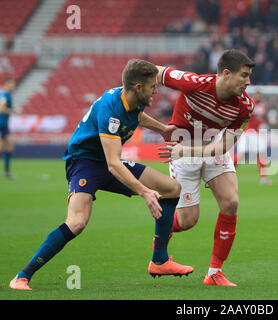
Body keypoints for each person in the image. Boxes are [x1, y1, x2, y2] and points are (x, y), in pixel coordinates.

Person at [9, 59, 193, 290]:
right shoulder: (111, 111)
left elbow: (135, 117)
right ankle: (22, 276)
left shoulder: (134, 98)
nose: (156, 91)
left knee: (171, 188)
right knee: (77, 222)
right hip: (84, 163)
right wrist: (144, 192)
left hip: (107, 158)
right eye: (152, 86)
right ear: (138, 87)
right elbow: (114, 165)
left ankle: (159, 261)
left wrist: (163, 129)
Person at [156, 49, 255, 286]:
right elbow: (156, 72)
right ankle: (159, 242)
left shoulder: (245, 107)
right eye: (244, 75)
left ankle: (214, 273)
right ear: (227, 74)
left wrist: (187, 151)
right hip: (181, 150)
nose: (248, 82)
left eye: (249, 76)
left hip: (209, 147)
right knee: (188, 220)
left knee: (231, 202)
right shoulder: (194, 84)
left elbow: (223, 147)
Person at [234, 90, 273, 185]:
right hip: (248, 132)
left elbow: (262, 118)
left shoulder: (263, 105)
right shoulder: (250, 104)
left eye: (261, 95)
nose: (259, 96)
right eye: (258, 95)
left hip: (256, 133)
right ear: (255, 95)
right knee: (241, 156)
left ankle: (263, 179)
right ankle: (225, 174)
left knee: (261, 154)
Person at [0, 78, 19, 179]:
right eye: (11, 85)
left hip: (4, 124)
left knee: (9, 145)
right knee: (3, 146)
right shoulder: (4, 94)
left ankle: (6, 172)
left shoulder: (6, 94)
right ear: (6, 85)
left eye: (13, 85)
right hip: (1, 124)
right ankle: (6, 172)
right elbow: (2, 109)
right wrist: (13, 111)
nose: (13, 87)